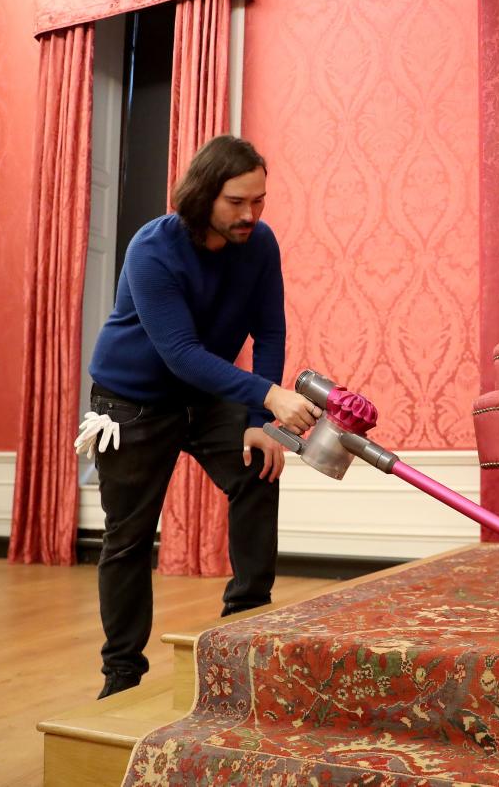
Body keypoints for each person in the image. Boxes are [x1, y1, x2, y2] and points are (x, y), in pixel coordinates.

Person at [78, 135, 320, 699]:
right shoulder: (153, 248)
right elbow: (179, 352)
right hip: (131, 399)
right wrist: (269, 394)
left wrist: (263, 423)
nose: (250, 214)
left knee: (259, 472)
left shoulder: (259, 245)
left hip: (206, 394)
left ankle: (245, 627)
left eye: (259, 201)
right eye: (237, 201)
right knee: (128, 538)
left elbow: (270, 330)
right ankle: (122, 676)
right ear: (204, 194)